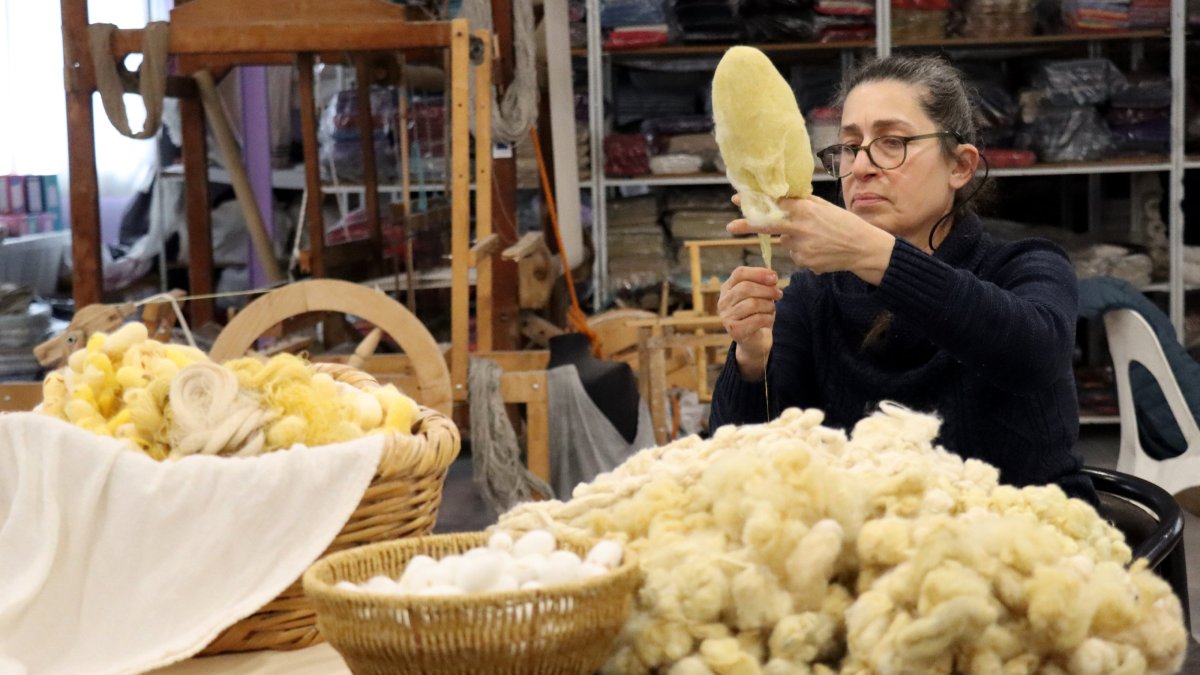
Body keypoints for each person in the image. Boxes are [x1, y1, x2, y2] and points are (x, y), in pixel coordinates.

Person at [709, 54, 1097, 504]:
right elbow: (739, 458)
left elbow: (1034, 355)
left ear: (961, 166)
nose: (860, 167)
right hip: (878, 548)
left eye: (892, 142)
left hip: (1027, 541)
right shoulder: (815, 296)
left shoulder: (1027, 266)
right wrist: (751, 360)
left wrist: (875, 254)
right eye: (850, 147)